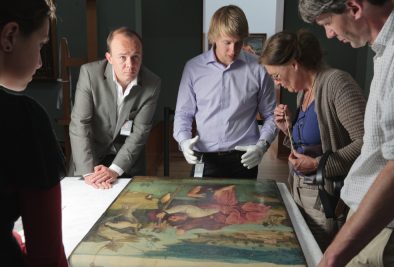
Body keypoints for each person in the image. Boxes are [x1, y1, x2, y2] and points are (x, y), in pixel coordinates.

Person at [298, 0, 394, 266]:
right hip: (372, 222)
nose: (330, 34)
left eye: (328, 23)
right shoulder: (384, 50)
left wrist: (333, 256)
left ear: (354, 8)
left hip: (386, 228)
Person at [259, 29, 366, 251]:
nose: (277, 84)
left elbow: (367, 143)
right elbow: (311, 144)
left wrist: (318, 165)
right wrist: (287, 128)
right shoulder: (303, 93)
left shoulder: (337, 84)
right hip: (300, 192)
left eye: (277, 76)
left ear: (294, 64)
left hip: (326, 200)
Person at [0, 0, 68, 266]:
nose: (40, 62)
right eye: (40, 45)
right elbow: (47, 255)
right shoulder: (22, 119)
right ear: (10, 36)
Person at [173, 5, 277, 179]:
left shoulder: (258, 69)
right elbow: (183, 114)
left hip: (244, 158)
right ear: (214, 38)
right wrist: (183, 141)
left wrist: (262, 146)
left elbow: (271, 115)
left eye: (239, 43)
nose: (233, 50)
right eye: (227, 42)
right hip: (204, 158)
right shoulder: (193, 68)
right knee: (201, 207)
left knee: (244, 207)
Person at [69, 27, 161, 189]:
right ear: (109, 58)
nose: (130, 65)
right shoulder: (89, 74)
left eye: (135, 57)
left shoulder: (152, 84)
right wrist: (90, 173)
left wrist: (114, 169)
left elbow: (140, 132)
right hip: (89, 156)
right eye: (122, 57)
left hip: (126, 161)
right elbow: (80, 124)